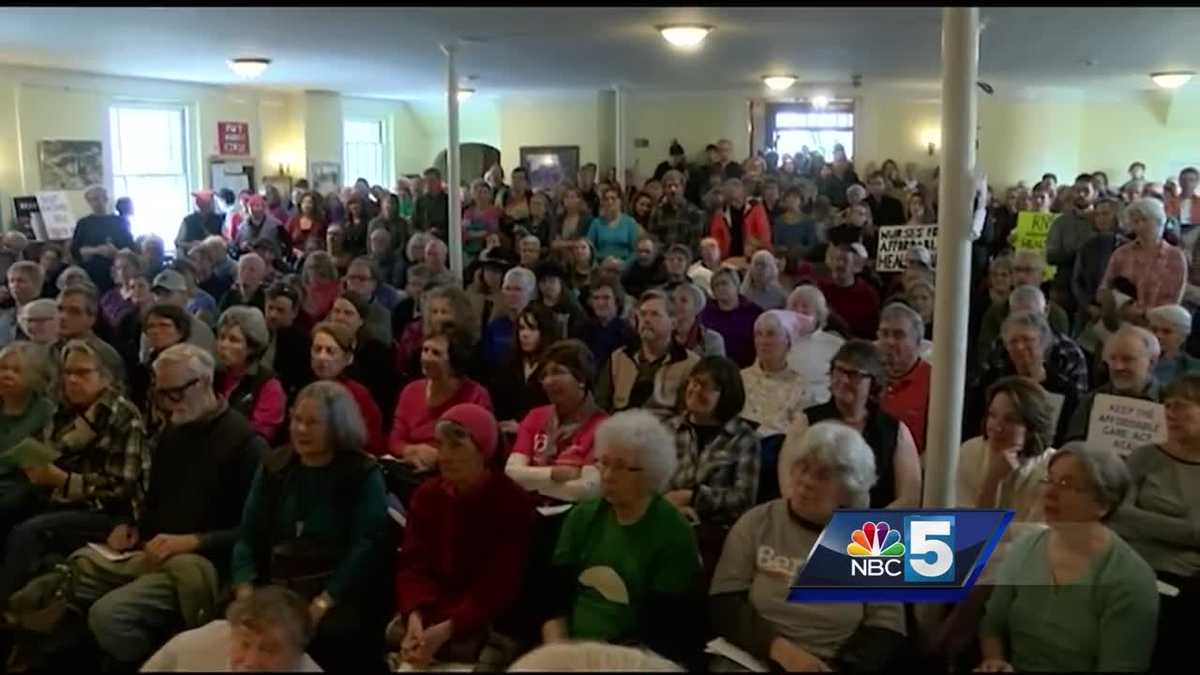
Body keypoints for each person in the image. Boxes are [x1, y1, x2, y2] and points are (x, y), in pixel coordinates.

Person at [45, 344, 266, 668]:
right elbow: (154, 501)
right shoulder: (173, 432)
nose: (165, 405)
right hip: (154, 548)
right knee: (68, 578)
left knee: (109, 616)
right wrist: (132, 527)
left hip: (202, 562)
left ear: (203, 384)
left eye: (174, 393)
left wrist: (195, 541)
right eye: (160, 393)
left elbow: (255, 532)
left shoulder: (245, 443)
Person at [711, 421, 905, 672]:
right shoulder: (758, 522)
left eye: (822, 475)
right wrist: (781, 651)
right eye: (802, 467)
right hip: (755, 656)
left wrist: (837, 667)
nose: (805, 481)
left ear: (849, 489)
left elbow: (886, 627)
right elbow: (725, 602)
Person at [230, 381, 391, 672]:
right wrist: (246, 590)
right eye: (297, 420)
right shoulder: (274, 466)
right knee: (235, 620)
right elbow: (248, 535)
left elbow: (367, 546)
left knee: (331, 633)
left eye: (313, 423)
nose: (301, 430)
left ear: (337, 428)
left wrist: (322, 603)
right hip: (277, 581)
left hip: (336, 586)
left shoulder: (362, 473)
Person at [976, 443, 1158, 672]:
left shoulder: (1130, 579)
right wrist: (994, 661)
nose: (1049, 492)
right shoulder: (1025, 548)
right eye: (1049, 480)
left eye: (1066, 484)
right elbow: (992, 625)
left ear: (1102, 505)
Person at [541, 410, 703, 665]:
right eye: (603, 462)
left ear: (650, 473)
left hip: (636, 657)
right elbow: (553, 601)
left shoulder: (673, 532)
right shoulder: (583, 516)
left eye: (620, 467)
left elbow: (662, 629)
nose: (606, 476)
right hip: (569, 652)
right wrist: (560, 652)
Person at [0, 340, 146, 604]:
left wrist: (63, 480)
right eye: (67, 373)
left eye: (82, 373)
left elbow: (121, 488)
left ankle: (8, 611)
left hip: (106, 511)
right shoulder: (64, 412)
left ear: (106, 377)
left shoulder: (123, 416)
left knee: (28, 533)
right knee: (8, 505)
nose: (72, 380)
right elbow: (52, 453)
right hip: (61, 496)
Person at [391, 403, 536, 668]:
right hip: (433, 606)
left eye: (456, 446)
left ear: (484, 451)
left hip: (488, 614)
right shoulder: (428, 495)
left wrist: (448, 627)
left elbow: (500, 583)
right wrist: (415, 615)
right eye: (440, 445)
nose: (444, 456)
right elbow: (413, 564)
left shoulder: (511, 501)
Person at [1110, 373, 1200, 669]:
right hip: (1128, 563)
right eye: (1168, 405)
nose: (1171, 413)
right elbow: (1117, 515)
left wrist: (1140, 520)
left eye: (1182, 406)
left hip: (1180, 578)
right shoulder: (1143, 456)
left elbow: (1197, 533)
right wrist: (1177, 527)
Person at [782, 340, 921, 509]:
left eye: (854, 375)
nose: (844, 380)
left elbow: (910, 497)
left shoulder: (895, 430)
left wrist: (866, 527)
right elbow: (789, 487)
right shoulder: (806, 422)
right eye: (839, 371)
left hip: (878, 527)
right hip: (814, 524)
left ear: (873, 383)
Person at [663, 356, 761, 527]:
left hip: (715, 529)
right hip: (666, 518)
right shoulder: (668, 429)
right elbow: (649, 482)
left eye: (706, 386)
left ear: (726, 394)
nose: (695, 389)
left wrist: (694, 498)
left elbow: (743, 500)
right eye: (693, 382)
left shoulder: (744, 438)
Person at [506, 340, 607, 504]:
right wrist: (555, 474)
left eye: (557, 372)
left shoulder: (604, 428)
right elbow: (512, 474)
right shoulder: (535, 416)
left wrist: (532, 482)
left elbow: (587, 489)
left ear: (581, 379)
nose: (548, 381)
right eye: (544, 375)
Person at [141, 585, 321, 672]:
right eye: (244, 644)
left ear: (298, 655)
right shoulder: (192, 646)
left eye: (268, 649)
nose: (250, 661)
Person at [390, 323, 492, 465]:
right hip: (412, 468)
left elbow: (480, 448)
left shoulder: (476, 395)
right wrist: (412, 451)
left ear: (455, 361)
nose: (426, 358)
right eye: (425, 350)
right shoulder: (410, 391)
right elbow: (395, 441)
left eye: (436, 353)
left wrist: (440, 457)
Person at [595, 290, 700, 413]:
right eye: (643, 314)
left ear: (673, 323)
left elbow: (690, 413)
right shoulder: (619, 358)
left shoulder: (690, 363)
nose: (646, 320)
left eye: (655, 314)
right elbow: (601, 405)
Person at [1065, 324, 1161, 443]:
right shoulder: (1092, 401)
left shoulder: (1168, 403)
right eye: (1112, 359)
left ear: (1152, 362)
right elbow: (1073, 448)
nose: (1117, 366)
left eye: (1127, 359)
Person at [975, 256, 1072, 369]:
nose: (1021, 276)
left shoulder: (1057, 315)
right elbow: (984, 353)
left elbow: (1061, 351)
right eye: (1016, 270)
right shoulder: (996, 311)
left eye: (1028, 270)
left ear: (1042, 276)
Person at [0, 342, 55, 538]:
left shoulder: (46, 412)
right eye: (3, 368)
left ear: (33, 376)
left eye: (16, 370)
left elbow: (44, 464)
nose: (6, 375)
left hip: (22, 487)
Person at [1100, 197, 1187, 317]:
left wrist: (1147, 315)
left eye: (1144, 220)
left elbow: (1175, 298)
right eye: (1135, 222)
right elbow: (1104, 289)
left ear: (1159, 221)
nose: (1140, 225)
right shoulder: (1121, 254)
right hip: (1124, 320)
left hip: (1160, 323)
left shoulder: (1175, 256)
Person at [308, 321, 385, 457]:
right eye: (317, 349)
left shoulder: (358, 395)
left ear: (348, 358)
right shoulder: (306, 391)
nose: (322, 357)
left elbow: (373, 445)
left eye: (330, 351)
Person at [215, 307, 287, 443]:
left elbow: (260, 436)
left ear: (252, 346)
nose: (223, 345)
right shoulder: (213, 375)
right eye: (221, 337)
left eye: (233, 340)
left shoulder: (268, 385)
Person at [741, 310, 815, 437]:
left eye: (771, 334)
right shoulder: (740, 378)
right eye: (758, 334)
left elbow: (799, 433)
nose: (763, 341)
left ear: (788, 340)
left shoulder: (801, 387)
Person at [492, 304, 560, 432]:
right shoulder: (509, 364)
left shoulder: (555, 367)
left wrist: (523, 429)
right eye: (521, 328)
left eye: (532, 329)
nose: (524, 334)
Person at [876, 303, 932, 456]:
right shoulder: (867, 375)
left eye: (899, 335)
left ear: (918, 343)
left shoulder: (934, 382)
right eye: (884, 334)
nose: (890, 342)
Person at [56, 285, 129, 387]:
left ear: (91, 318)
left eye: (74, 311)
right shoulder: (47, 351)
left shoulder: (104, 356)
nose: (62, 317)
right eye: (60, 309)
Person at [71, 186, 136, 293]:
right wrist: (97, 250)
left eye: (100, 198)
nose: (97, 202)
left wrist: (116, 252)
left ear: (106, 199)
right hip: (90, 272)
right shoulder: (83, 223)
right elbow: (75, 250)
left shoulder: (119, 222)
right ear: (88, 201)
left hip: (117, 271)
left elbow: (130, 248)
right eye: (93, 199)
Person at [699, 268, 762, 368]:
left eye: (724, 283)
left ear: (736, 286)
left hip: (747, 369)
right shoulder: (705, 313)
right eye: (716, 285)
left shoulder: (754, 312)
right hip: (714, 369)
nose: (720, 288)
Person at [817, 243, 880, 340]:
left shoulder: (868, 295)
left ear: (856, 267)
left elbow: (872, 332)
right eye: (837, 260)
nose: (839, 264)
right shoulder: (819, 289)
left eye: (845, 261)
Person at [263, 283, 313, 399]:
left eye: (280, 310)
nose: (273, 315)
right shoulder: (254, 332)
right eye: (270, 308)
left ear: (294, 313)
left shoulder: (303, 343)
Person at [149, 270, 216, 355]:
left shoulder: (200, 331)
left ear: (184, 295)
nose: (160, 299)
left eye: (166, 294)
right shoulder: (150, 330)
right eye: (157, 294)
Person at [483, 266, 537, 370]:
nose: (512, 294)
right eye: (508, 289)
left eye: (518, 289)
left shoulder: (540, 326)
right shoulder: (495, 326)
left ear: (531, 294)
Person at [709, 178, 771, 261]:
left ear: (743, 193)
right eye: (731, 199)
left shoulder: (756, 208)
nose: (735, 202)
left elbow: (764, 237)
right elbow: (716, 241)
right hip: (728, 259)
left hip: (753, 257)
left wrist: (754, 247)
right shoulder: (720, 215)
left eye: (737, 198)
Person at [650, 170, 705, 253]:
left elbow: (695, 244)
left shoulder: (694, 213)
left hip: (687, 258)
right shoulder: (657, 212)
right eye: (669, 186)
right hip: (663, 258)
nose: (673, 190)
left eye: (676, 185)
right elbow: (653, 239)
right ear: (664, 190)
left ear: (683, 188)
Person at [1148, 304, 1200, 385]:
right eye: (1154, 330)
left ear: (1183, 337)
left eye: (1167, 332)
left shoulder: (1194, 369)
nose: (1158, 335)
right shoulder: (1134, 359)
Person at [533, 260, 587, 339]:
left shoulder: (573, 309)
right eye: (543, 281)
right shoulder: (534, 308)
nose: (547, 285)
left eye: (552, 281)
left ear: (560, 282)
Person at [670, 282, 725, 358]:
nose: (675, 304)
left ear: (697, 308)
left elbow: (717, 369)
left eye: (684, 300)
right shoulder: (661, 334)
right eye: (672, 300)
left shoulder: (712, 340)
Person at [586, 186, 639, 264]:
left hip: (624, 265)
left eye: (613, 198)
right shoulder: (596, 223)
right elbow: (589, 248)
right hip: (601, 264)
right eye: (606, 199)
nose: (609, 202)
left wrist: (624, 265)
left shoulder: (630, 222)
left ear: (620, 201)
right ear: (602, 202)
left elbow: (635, 250)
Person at [1, 262, 45, 347]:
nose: (15, 285)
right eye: (11, 281)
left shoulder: (45, 313)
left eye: (21, 281)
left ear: (36, 283)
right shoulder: (6, 313)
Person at [175, 191, 225, 257]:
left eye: (209, 204)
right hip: (193, 258)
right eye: (205, 204)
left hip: (213, 258)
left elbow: (225, 240)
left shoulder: (218, 219)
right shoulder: (188, 220)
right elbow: (177, 242)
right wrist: (191, 245)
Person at [285, 191, 328, 256]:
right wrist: (295, 251)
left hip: (315, 257)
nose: (306, 205)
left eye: (309, 202)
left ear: (314, 205)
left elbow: (325, 242)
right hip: (295, 258)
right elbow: (285, 241)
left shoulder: (320, 222)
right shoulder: (293, 221)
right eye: (304, 202)